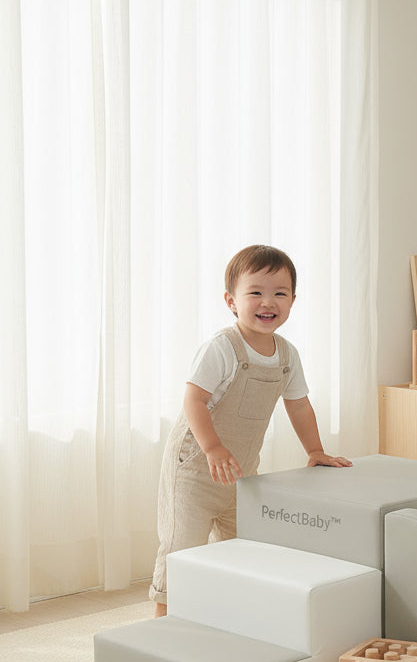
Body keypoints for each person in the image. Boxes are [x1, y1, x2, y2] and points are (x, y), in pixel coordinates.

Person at [150, 245, 351, 616]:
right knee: (182, 550)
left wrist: (316, 450)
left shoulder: (287, 355)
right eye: (255, 292)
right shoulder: (222, 348)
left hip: (241, 471)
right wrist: (212, 448)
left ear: (293, 300)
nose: (267, 302)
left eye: (279, 293)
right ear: (231, 301)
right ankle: (163, 626)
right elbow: (193, 400)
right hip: (194, 468)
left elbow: (299, 404)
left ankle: (228, 616)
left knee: (242, 548)